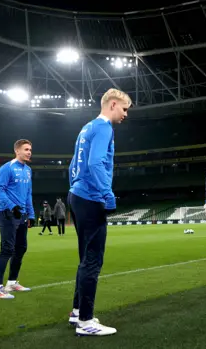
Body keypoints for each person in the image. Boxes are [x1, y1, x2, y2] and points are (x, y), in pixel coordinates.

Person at [67, 88, 131, 337]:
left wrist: (74, 187)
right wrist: (107, 193)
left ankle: (76, 310)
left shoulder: (86, 127)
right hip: (91, 198)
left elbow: (74, 164)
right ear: (113, 104)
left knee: (85, 258)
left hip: (78, 194)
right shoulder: (105, 127)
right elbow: (94, 163)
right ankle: (85, 322)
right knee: (93, 259)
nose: (126, 114)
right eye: (124, 109)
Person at [0, 139, 35, 299]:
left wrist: (31, 214)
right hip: (8, 214)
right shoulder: (7, 168)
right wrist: (12, 207)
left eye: (30, 149)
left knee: (21, 248)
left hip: (22, 215)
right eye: (26, 149)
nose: (29, 152)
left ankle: (11, 282)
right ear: (17, 151)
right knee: (7, 250)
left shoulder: (28, 170)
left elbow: (28, 193)